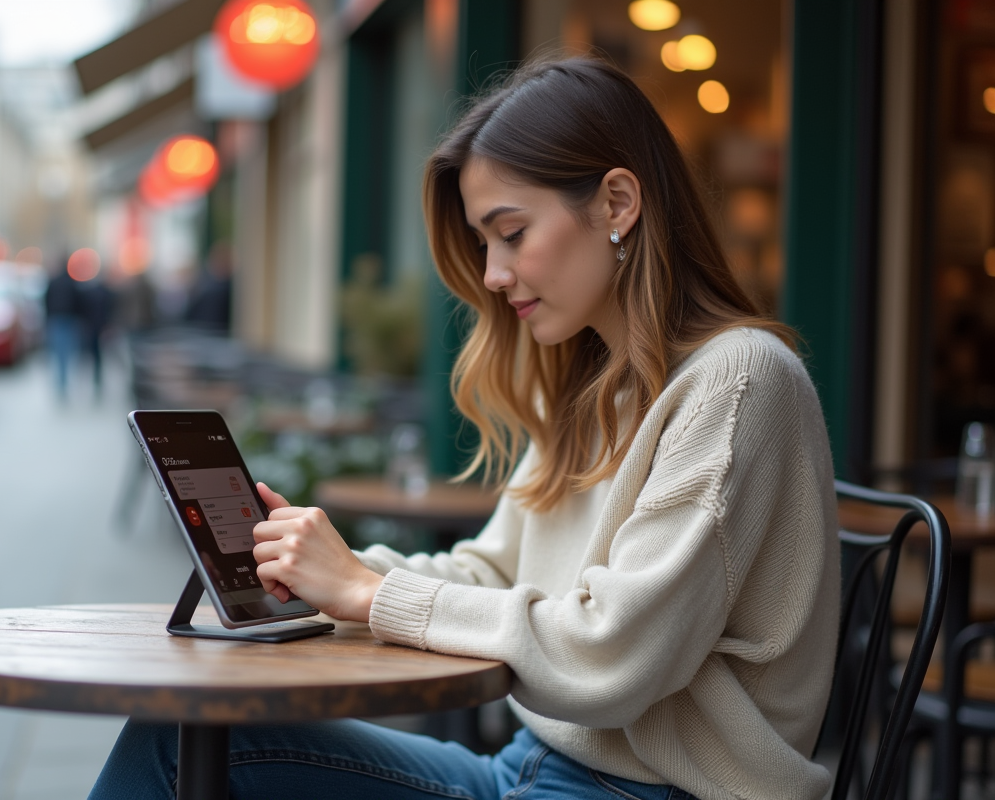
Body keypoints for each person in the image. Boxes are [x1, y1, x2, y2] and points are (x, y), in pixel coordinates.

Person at [89, 57, 840, 800]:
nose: (492, 274)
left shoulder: (738, 381)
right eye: (485, 243)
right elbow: (495, 572)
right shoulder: (593, 384)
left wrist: (366, 593)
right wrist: (333, 576)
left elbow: (610, 657)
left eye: (510, 233)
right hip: (531, 767)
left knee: (185, 753)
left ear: (617, 203)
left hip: (656, 792)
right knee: (175, 736)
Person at [44, 258, 82, 400]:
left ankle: (60, 383)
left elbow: (46, 300)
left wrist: (48, 317)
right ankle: (63, 382)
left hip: (56, 319)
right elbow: (78, 302)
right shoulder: (72, 283)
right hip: (69, 320)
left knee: (58, 353)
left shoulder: (53, 282)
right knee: (67, 353)